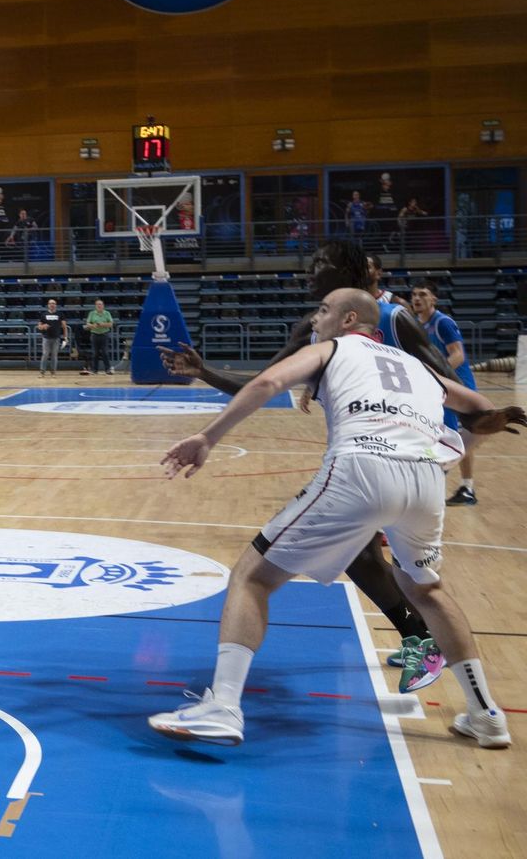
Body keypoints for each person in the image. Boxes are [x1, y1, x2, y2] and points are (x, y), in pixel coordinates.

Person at [149, 288, 523, 748]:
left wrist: (208, 437)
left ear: (349, 320)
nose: (314, 320)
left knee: (252, 577)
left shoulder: (331, 347)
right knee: (428, 590)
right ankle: (485, 713)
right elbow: (483, 411)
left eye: (323, 311)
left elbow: (267, 383)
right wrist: (454, 450)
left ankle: (223, 706)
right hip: (425, 480)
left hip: (361, 467)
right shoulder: (417, 367)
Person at [159, 239, 473, 692]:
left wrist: (443, 443)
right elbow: (260, 385)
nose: (309, 272)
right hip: (365, 454)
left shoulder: (394, 317)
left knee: (385, 568)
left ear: (347, 272)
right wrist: (203, 371)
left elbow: (443, 380)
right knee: (363, 557)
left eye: (320, 264)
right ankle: (429, 647)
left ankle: (431, 647)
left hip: (415, 452)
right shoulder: (311, 327)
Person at [410, 280, 483, 506]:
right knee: (455, 438)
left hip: (458, 388)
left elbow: (458, 355)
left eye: (423, 294)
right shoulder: (416, 324)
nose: (417, 298)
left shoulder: (442, 322)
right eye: (414, 295)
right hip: (442, 389)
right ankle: (466, 488)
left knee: (452, 438)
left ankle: (441, 480)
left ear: (434, 299)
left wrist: (434, 377)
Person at [36, 298, 67, 377]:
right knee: (45, 354)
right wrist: (43, 326)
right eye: (50, 303)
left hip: (56, 338)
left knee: (54, 355)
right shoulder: (44, 314)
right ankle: (42, 372)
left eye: (53, 303)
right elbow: (39, 326)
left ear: (55, 305)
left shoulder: (60, 314)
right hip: (46, 338)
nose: (52, 305)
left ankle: (53, 372)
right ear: (48, 305)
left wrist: (65, 337)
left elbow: (64, 327)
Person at [83, 298, 114, 375]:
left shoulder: (107, 313)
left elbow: (110, 324)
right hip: (94, 335)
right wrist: (93, 325)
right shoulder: (92, 313)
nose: (99, 306)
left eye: (100, 304)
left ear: (103, 306)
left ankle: (108, 369)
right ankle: (94, 370)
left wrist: (102, 324)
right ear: (95, 306)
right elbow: (87, 323)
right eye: (97, 304)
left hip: (104, 334)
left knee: (105, 352)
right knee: (95, 353)